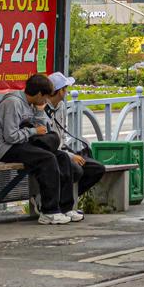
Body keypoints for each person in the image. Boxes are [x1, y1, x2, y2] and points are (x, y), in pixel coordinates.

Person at [0, 74, 78, 225]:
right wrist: (33, 132)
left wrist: (39, 112)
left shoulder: (31, 105)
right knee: (47, 158)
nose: (46, 100)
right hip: (5, 148)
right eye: (45, 96)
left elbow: (41, 130)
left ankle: (65, 207)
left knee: (62, 157)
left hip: (22, 144)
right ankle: (48, 211)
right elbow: (11, 136)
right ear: (39, 93)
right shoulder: (13, 103)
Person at [45, 71, 107, 210]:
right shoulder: (42, 109)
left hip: (63, 150)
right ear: (61, 91)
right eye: (66, 89)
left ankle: (64, 199)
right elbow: (46, 145)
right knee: (76, 170)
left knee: (97, 169)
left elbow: (62, 132)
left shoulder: (60, 106)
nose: (66, 92)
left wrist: (67, 149)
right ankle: (57, 203)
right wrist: (70, 156)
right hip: (52, 154)